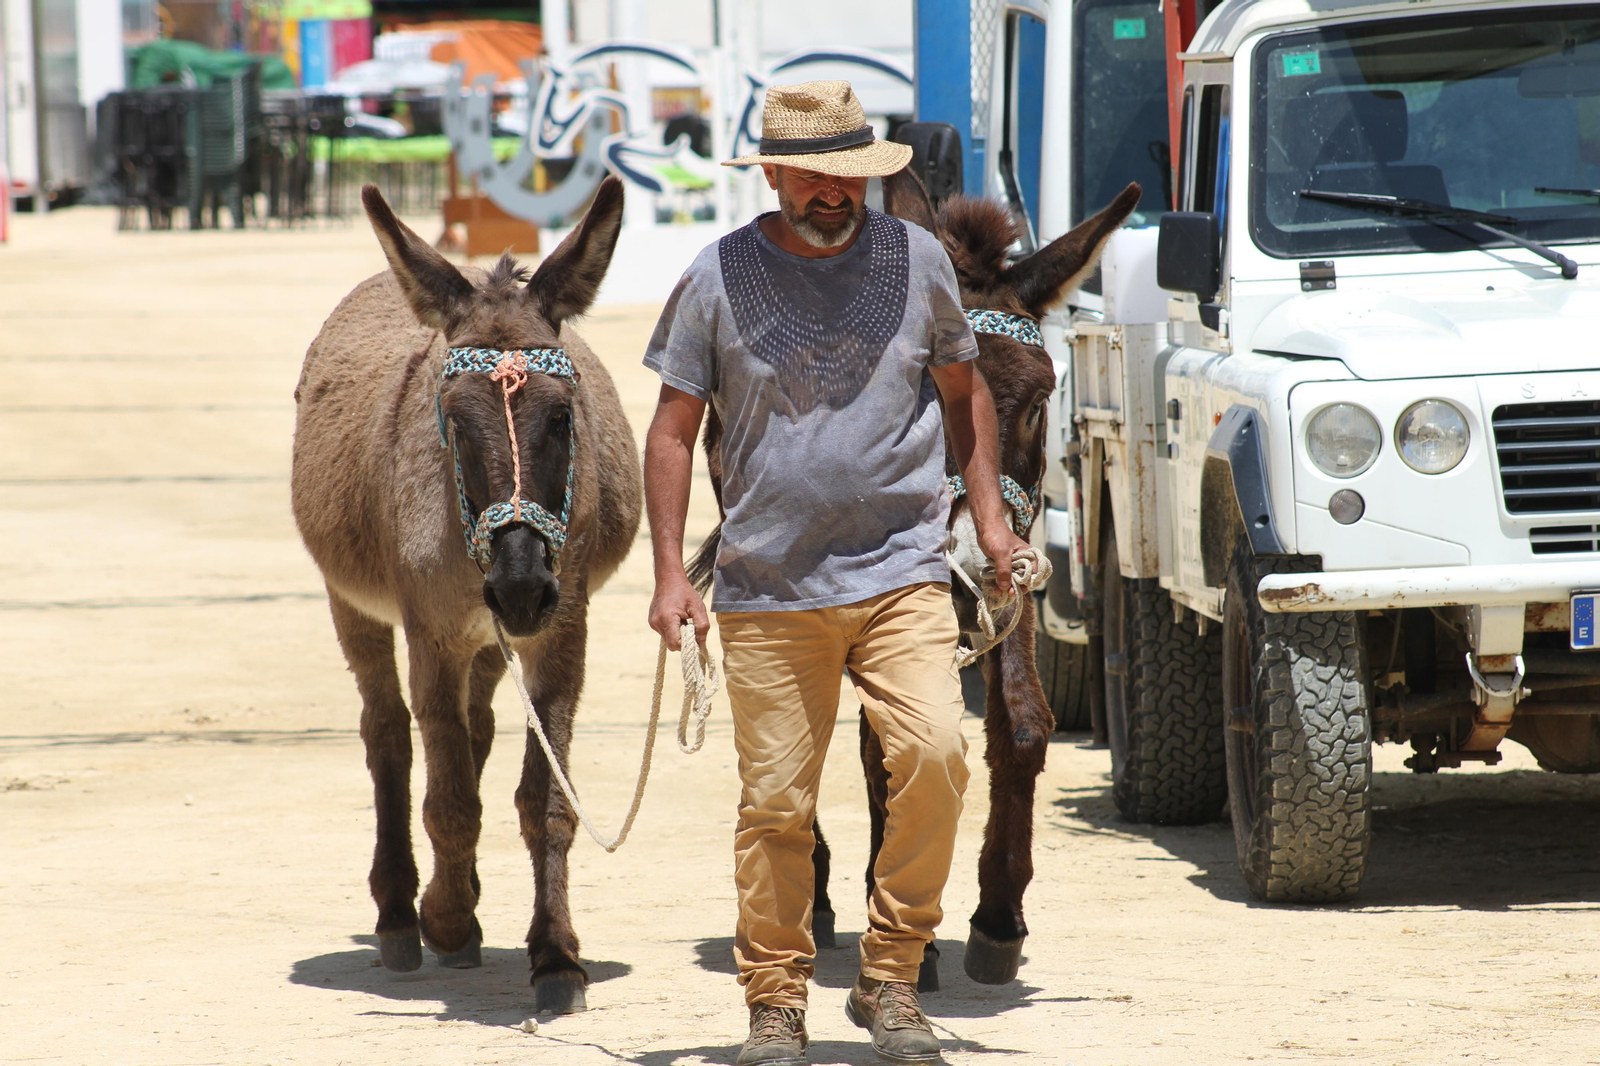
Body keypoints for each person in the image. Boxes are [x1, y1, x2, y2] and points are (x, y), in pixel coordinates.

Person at [642, 80, 1029, 1066]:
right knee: (777, 804)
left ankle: (893, 976)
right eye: (812, 175)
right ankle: (774, 1000)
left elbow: (963, 389)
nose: (832, 194)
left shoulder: (918, 260)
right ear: (771, 173)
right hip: (769, 585)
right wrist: (668, 577)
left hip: (902, 567)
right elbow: (674, 432)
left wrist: (989, 527)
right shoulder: (716, 277)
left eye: (850, 176)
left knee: (938, 754)